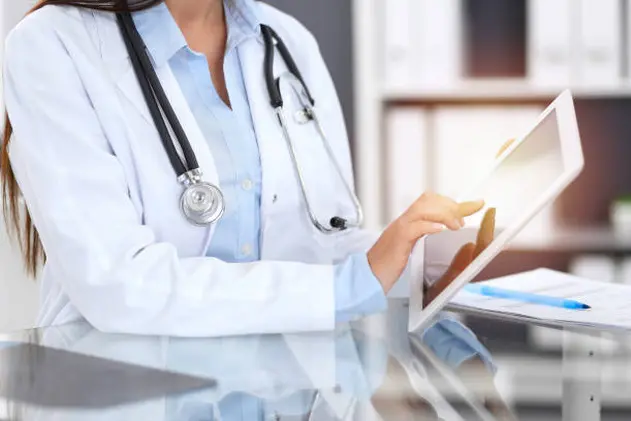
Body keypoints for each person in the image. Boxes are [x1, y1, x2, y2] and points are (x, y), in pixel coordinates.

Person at [1, 0, 486, 337]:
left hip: (274, 394)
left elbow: (320, 241)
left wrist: (417, 267)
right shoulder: (51, 46)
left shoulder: (286, 41)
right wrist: (353, 286)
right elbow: (119, 286)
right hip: (123, 389)